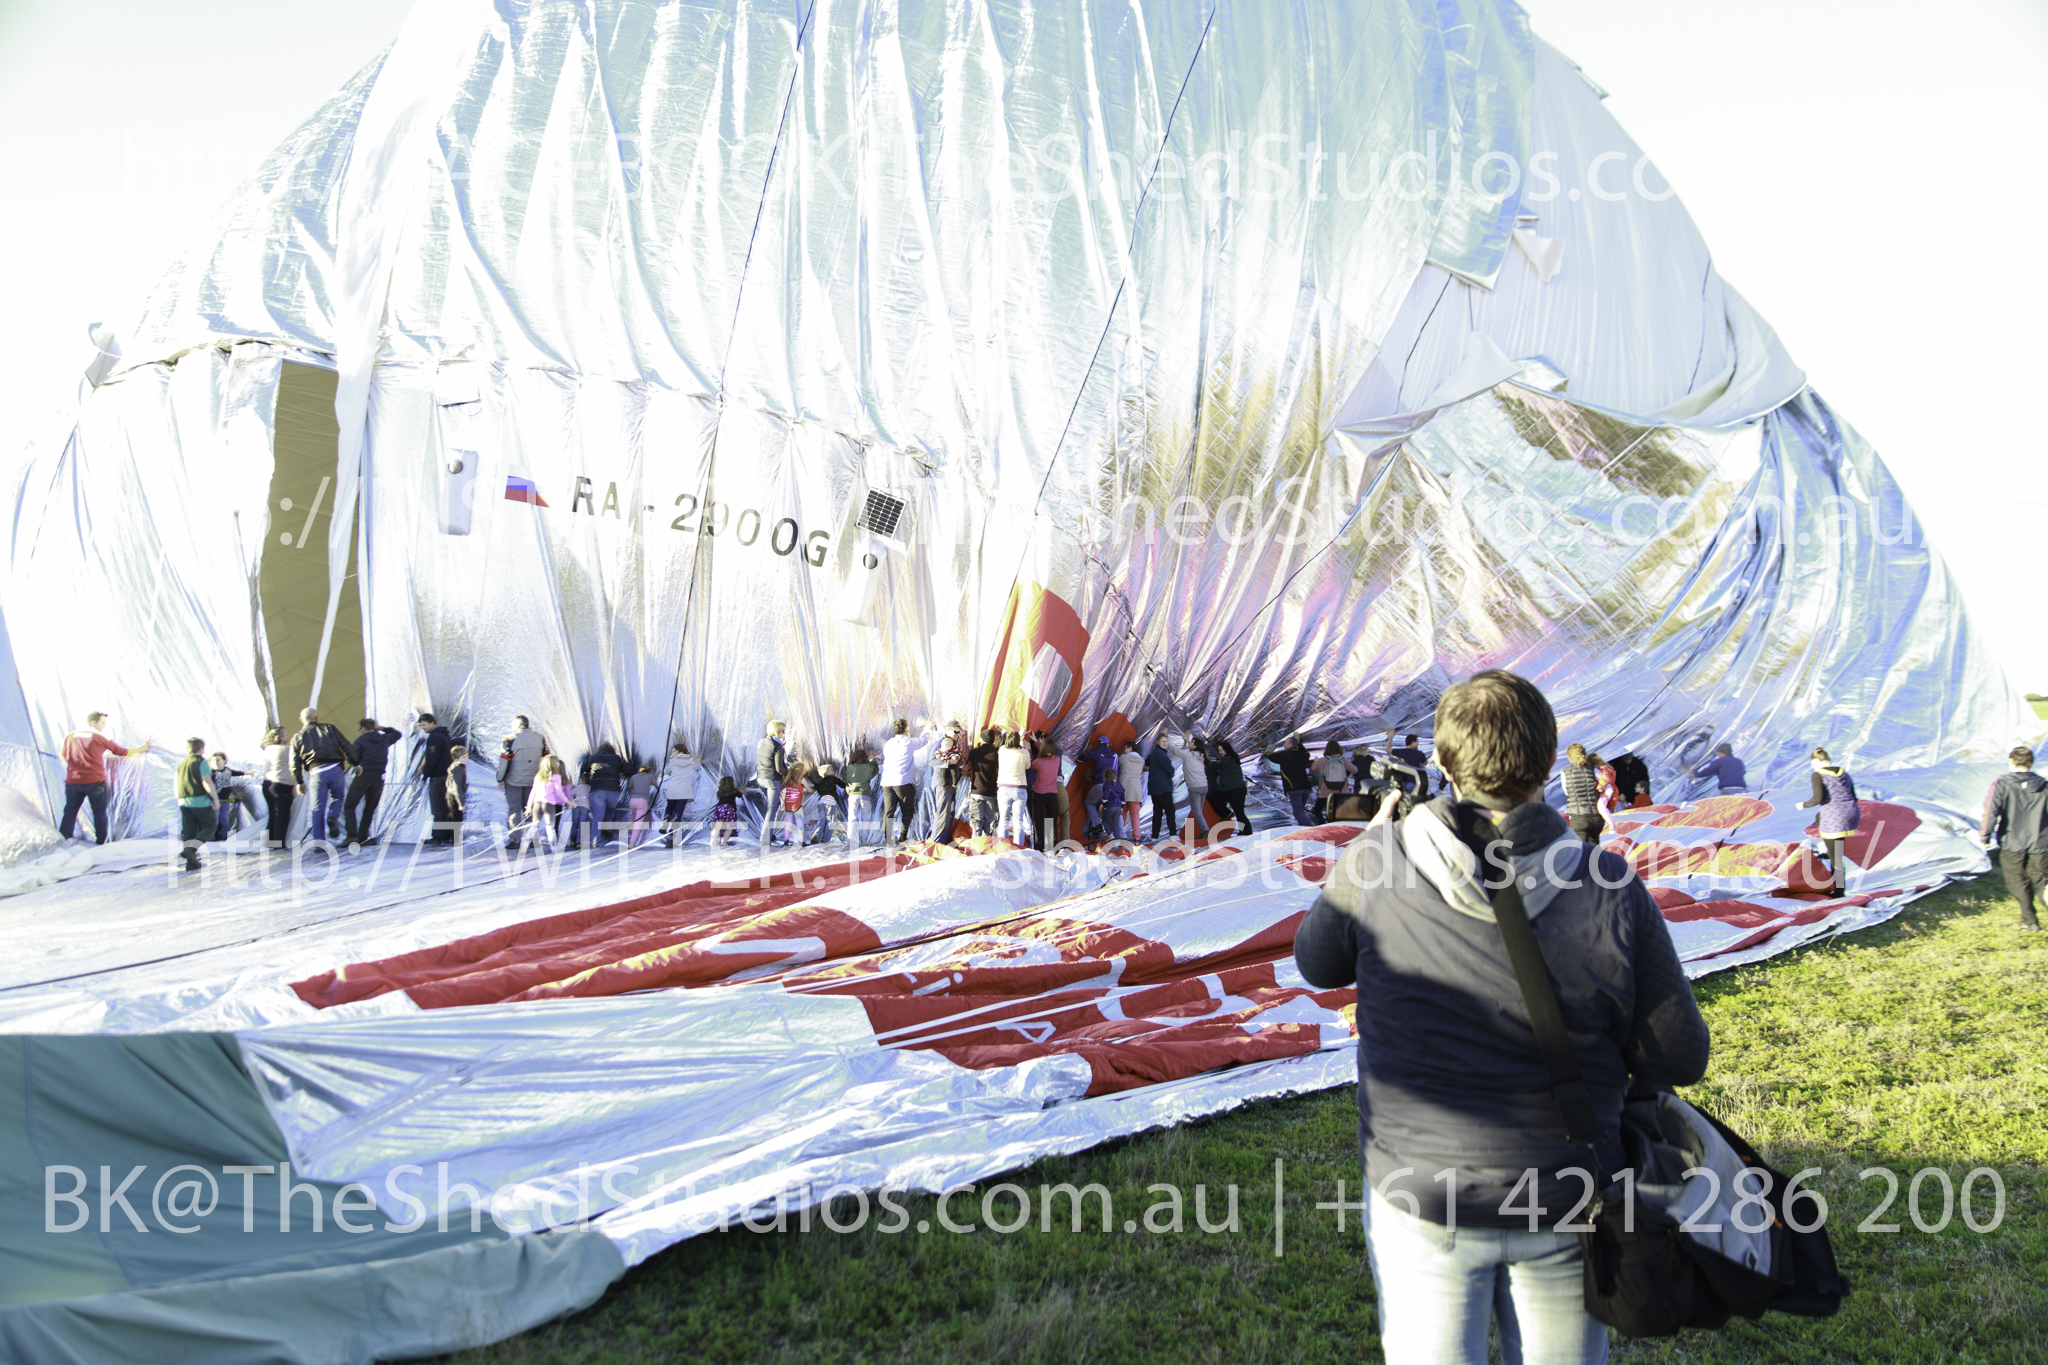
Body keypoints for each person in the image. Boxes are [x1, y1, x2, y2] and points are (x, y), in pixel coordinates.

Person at [1292, 669, 1709, 1365]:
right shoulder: (1610, 885)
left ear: (1442, 761)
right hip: (1567, 1190)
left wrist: (1366, 849)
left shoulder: (1377, 862)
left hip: (1422, 1190)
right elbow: (1679, 1056)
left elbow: (1316, 962)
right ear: (1548, 763)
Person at [1982, 746, 2047, 931]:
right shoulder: (2044, 784)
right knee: (2042, 881)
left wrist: (1985, 835)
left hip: (2012, 842)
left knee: (2017, 881)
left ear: (2011, 761)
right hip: (2041, 842)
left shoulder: (2001, 784)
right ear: (2031, 763)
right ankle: (2032, 914)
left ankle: (2029, 920)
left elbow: (1990, 811)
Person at [59, 711, 147, 844]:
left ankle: (63, 842)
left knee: (70, 812)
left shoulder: (70, 736)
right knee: (99, 812)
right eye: (102, 723)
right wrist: (140, 749)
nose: (104, 726)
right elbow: (120, 751)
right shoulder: (99, 737)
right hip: (94, 782)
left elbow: (63, 756)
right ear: (93, 722)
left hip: (73, 782)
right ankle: (101, 843)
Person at [1796, 747, 1860, 897]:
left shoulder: (1818, 774)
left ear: (1816, 761)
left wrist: (1803, 804)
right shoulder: (1843, 772)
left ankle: (1839, 891)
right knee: (1820, 818)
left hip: (1834, 816)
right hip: (1851, 812)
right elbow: (1854, 796)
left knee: (1836, 857)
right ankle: (1829, 851)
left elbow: (1817, 799)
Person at [292, 708, 356, 844]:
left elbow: (294, 762)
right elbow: (345, 744)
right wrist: (356, 763)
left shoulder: (297, 736)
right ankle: (332, 817)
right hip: (335, 769)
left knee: (317, 809)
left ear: (301, 720)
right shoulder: (329, 728)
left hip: (316, 773)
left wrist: (299, 782)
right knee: (337, 798)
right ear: (316, 718)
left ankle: (319, 844)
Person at [345, 718, 403, 848]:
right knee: (370, 808)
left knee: (349, 805)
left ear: (363, 728)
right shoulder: (384, 738)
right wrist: (381, 728)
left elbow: (351, 758)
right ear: (374, 727)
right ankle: (362, 837)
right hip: (378, 777)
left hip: (363, 775)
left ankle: (351, 836)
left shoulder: (360, 740)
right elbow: (397, 734)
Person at [880, 719, 939, 843]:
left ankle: (889, 840)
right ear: (906, 729)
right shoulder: (908, 742)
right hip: (903, 782)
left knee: (889, 812)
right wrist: (928, 728)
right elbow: (923, 740)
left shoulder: (888, 744)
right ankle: (902, 838)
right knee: (907, 811)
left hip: (887, 782)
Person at [571, 740, 627, 849]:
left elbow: (584, 768)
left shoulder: (594, 758)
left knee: (597, 817)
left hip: (598, 791)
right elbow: (629, 769)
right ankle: (607, 825)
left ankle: (596, 842)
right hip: (613, 791)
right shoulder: (617, 759)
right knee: (611, 808)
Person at [498, 716, 549, 837]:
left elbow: (504, 762)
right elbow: (547, 758)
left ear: (519, 725)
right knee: (531, 810)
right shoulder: (540, 738)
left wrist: (500, 779)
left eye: (513, 724)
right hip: (533, 781)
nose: (511, 726)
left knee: (514, 810)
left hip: (514, 780)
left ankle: (515, 839)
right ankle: (530, 839)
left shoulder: (509, 739)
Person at [173, 738, 217, 872]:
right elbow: (206, 781)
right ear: (201, 749)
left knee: (189, 831)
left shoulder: (181, 763)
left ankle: (191, 863)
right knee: (210, 825)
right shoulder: (201, 762)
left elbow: (176, 783)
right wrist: (215, 799)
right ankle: (191, 850)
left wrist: (179, 799)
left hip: (183, 801)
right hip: (199, 800)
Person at [412, 713, 455, 847]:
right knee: (446, 807)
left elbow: (431, 758)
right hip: (448, 776)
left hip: (438, 776)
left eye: (424, 725)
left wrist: (425, 776)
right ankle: (447, 835)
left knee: (438, 808)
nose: (423, 728)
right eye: (421, 726)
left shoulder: (435, 737)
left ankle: (438, 837)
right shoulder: (445, 735)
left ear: (432, 722)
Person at [658, 742, 703, 847]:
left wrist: (671, 760)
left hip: (673, 789)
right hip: (683, 791)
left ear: (681, 752)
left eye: (674, 751)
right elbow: (697, 767)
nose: (672, 753)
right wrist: (698, 760)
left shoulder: (673, 761)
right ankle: (670, 839)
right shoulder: (690, 761)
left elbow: (667, 771)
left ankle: (666, 819)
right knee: (677, 815)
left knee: (669, 808)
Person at [1263, 735, 1315, 825]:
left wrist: (1267, 752)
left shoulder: (1284, 755)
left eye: (1285, 743)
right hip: (1305, 787)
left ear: (1290, 744)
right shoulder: (1302, 755)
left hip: (1294, 788)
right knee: (1301, 811)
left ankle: (1309, 829)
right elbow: (1307, 753)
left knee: (1298, 812)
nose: (1283, 745)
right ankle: (1305, 827)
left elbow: (1270, 756)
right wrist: (1299, 743)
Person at [932, 721, 970, 844]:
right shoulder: (940, 743)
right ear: (948, 730)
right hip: (942, 784)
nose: (957, 734)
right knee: (943, 814)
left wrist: (960, 769)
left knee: (950, 813)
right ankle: (936, 843)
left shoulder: (953, 744)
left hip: (950, 784)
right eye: (955, 732)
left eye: (959, 732)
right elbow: (932, 761)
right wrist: (948, 762)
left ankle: (945, 841)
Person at [526, 754, 573, 849]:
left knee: (534, 825)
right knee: (550, 826)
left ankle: (525, 845)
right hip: (550, 804)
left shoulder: (538, 776)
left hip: (537, 803)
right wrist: (569, 802)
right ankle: (553, 847)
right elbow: (559, 793)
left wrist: (529, 805)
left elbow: (533, 791)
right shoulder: (557, 777)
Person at [259, 725, 295, 850]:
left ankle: (270, 841)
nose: (288, 735)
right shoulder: (286, 750)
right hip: (281, 784)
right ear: (280, 737)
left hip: (267, 783)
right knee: (282, 815)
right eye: (285, 733)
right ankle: (279, 843)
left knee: (273, 813)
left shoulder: (268, 749)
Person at [1560, 742, 1604, 843]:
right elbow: (1603, 785)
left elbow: (1567, 792)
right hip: (1596, 815)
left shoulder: (1565, 772)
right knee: (1594, 848)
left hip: (1578, 817)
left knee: (1580, 849)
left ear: (1569, 757)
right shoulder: (1594, 770)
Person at [1206, 738, 1251, 834]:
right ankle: (1227, 814)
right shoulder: (1230, 759)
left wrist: (1206, 759)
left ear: (1226, 750)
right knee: (1213, 797)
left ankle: (1246, 832)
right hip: (1231, 790)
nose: (1220, 753)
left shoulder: (1227, 759)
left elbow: (1213, 766)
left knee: (1239, 813)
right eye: (1219, 751)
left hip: (1236, 790)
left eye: (1221, 750)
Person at [996, 731, 1032, 846]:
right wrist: (1028, 749)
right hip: (1019, 788)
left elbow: (1005, 745)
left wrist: (1018, 735)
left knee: (1003, 819)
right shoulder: (1024, 752)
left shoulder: (1002, 750)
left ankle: (1003, 847)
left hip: (1004, 788)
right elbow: (1028, 766)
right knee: (1018, 821)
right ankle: (1018, 848)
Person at [1028, 735, 1062, 848]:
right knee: (1051, 821)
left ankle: (1039, 847)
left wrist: (1029, 749)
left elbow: (1031, 764)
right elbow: (1048, 752)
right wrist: (1037, 742)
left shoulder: (1039, 762)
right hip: (1052, 795)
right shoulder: (1057, 759)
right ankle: (1051, 847)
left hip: (1039, 794)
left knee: (1038, 821)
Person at [754, 720, 791, 826]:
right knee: (772, 809)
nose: (784, 733)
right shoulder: (778, 747)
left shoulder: (762, 742)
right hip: (772, 780)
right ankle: (766, 835)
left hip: (761, 778)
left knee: (774, 804)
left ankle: (769, 832)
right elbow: (779, 768)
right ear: (777, 731)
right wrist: (788, 773)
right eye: (783, 731)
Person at [967, 728, 1001, 838]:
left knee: (976, 821)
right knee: (988, 822)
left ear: (982, 738)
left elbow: (967, 763)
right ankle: (986, 842)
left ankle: (976, 844)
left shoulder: (975, 752)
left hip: (976, 790)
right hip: (990, 792)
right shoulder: (996, 753)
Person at [843, 746, 880, 846]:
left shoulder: (850, 767)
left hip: (852, 795)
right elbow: (874, 770)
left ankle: (851, 841)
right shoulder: (867, 767)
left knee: (852, 818)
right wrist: (872, 760)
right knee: (865, 818)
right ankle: (864, 841)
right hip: (864, 795)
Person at [1145, 732, 1179, 839]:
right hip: (1163, 787)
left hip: (1154, 788)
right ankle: (1173, 834)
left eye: (1166, 741)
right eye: (1163, 741)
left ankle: (1154, 835)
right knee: (1170, 810)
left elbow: (1147, 762)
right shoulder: (1162, 755)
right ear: (1158, 742)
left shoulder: (1154, 753)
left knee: (1157, 812)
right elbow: (1171, 771)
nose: (1165, 743)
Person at [809, 761, 850, 842]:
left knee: (822, 820)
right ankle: (825, 839)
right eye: (832, 770)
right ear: (826, 772)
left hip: (821, 802)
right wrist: (846, 781)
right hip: (830, 801)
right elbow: (843, 785)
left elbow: (817, 789)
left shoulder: (820, 782)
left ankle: (816, 835)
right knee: (830, 821)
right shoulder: (832, 778)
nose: (834, 771)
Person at [1313, 740, 1352, 822]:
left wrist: (1316, 761)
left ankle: (1324, 825)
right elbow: (1355, 770)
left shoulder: (1322, 760)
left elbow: (1313, 769)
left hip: (1325, 792)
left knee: (1318, 810)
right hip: (1341, 791)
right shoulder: (1343, 760)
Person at [1117, 739, 1146, 842]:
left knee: (1122, 813)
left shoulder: (1123, 758)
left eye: (1125, 748)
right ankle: (1136, 837)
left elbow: (1116, 767)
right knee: (1135, 815)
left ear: (1130, 748)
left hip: (1123, 788)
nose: (1124, 750)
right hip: (1135, 790)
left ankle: (1120, 836)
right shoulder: (1141, 760)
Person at [623, 765, 655, 845]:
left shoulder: (634, 776)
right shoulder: (650, 776)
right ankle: (632, 843)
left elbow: (629, 785)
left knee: (633, 815)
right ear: (649, 771)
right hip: (642, 801)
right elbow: (656, 784)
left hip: (632, 800)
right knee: (638, 822)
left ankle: (630, 827)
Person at [709, 776, 742, 847]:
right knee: (729, 827)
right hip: (729, 808)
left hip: (719, 808)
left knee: (717, 826)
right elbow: (740, 795)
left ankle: (713, 841)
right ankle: (724, 842)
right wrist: (741, 790)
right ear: (731, 783)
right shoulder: (734, 791)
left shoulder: (720, 792)